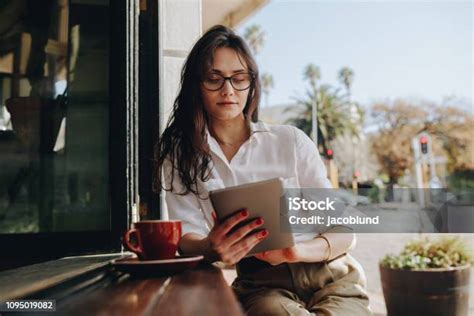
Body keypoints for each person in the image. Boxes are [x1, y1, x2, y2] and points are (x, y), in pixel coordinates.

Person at [154, 25, 372, 316]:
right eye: (214, 78)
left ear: (251, 84)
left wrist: (295, 252)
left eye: (238, 78)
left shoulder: (290, 141)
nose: (228, 89)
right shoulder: (181, 156)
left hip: (331, 275)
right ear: (197, 85)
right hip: (262, 286)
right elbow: (187, 238)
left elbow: (344, 232)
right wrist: (210, 247)